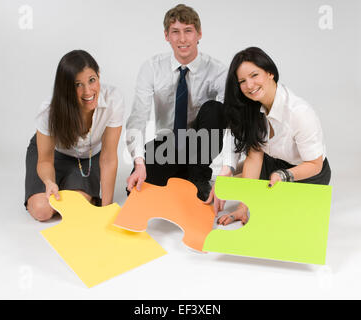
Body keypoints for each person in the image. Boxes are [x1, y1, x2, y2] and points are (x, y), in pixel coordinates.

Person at [206, 47, 331, 225]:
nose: (249, 86)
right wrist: (242, 207)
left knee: (280, 213)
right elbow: (254, 157)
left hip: (307, 173)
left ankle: (245, 182)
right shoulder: (254, 109)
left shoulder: (300, 113)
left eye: (254, 75)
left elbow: (315, 164)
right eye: (242, 81)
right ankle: (228, 183)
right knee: (227, 182)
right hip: (273, 163)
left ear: (270, 72)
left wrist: (284, 175)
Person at [125, 3, 234, 201]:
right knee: (138, 189)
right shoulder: (152, 68)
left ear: (199, 34)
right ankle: (182, 174)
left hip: (201, 144)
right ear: (166, 36)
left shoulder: (217, 71)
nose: (182, 39)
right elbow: (138, 117)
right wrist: (139, 163)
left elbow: (233, 120)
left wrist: (228, 166)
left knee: (215, 108)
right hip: (168, 144)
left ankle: (198, 173)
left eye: (188, 31)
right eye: (175, 32)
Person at [25, 50, 124, 222]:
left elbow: (108, 158)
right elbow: (45, 160)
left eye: (92, 80)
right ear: (66, 88)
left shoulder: (113, 99)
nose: (87, 91)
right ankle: (60, 186)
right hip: (53, 155)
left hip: (88, 158)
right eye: (78, 84)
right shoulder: (49, 110)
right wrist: (49, 181)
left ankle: (76, 188)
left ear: (99, 75)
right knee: (42, 211)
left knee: (75, 210)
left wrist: (106, 209)